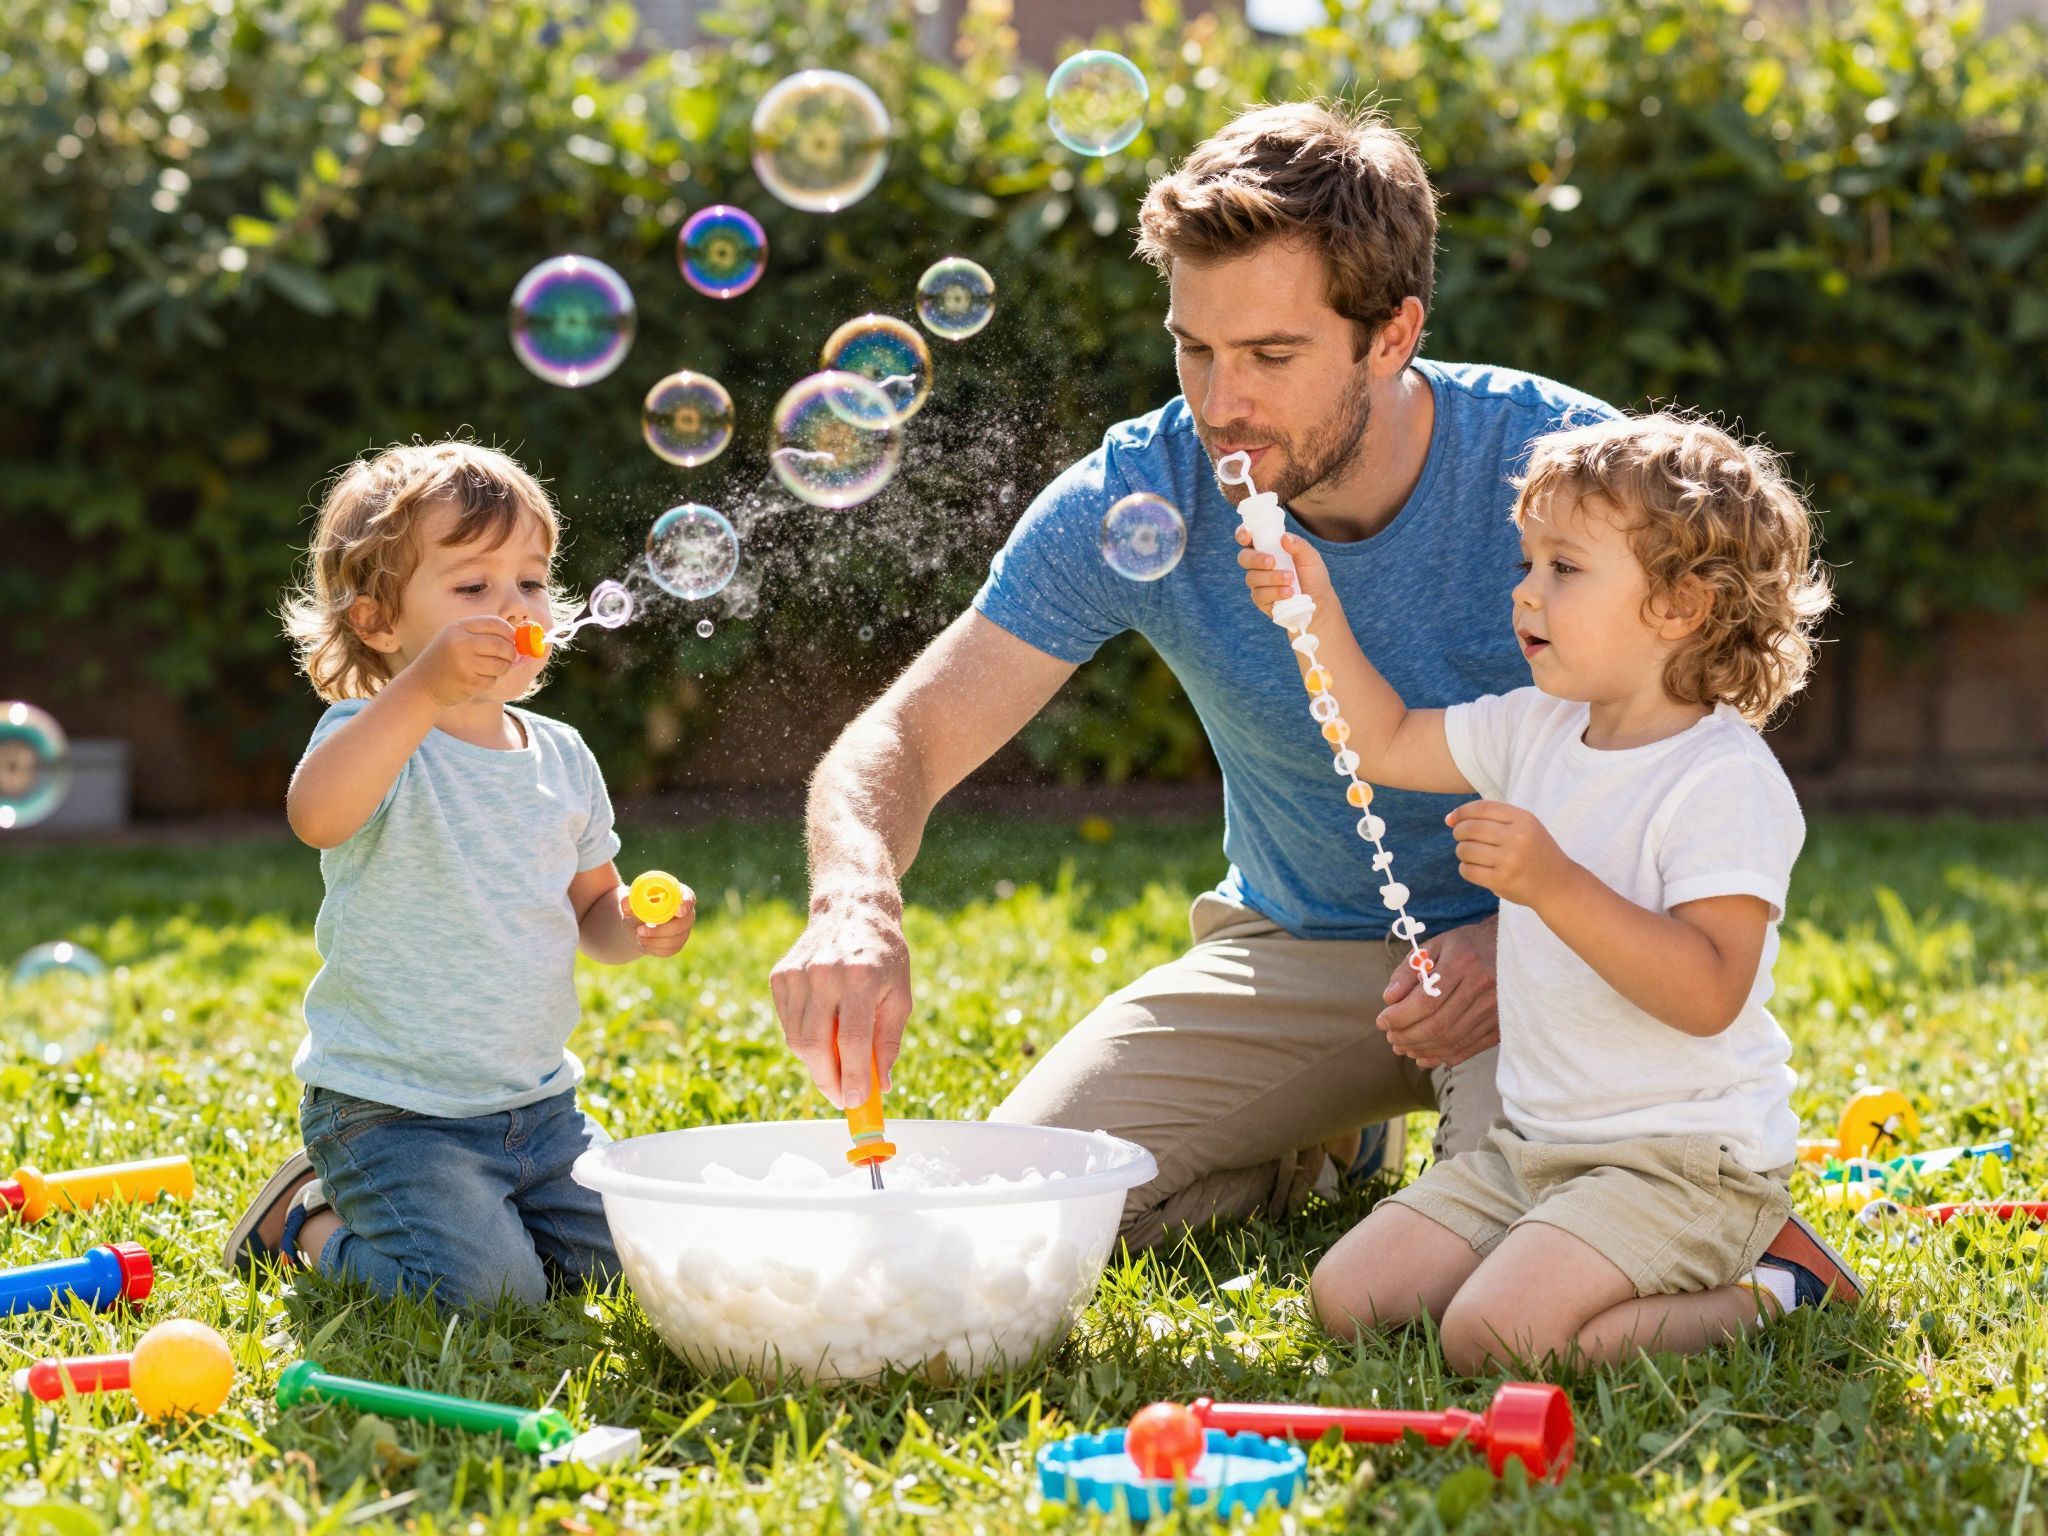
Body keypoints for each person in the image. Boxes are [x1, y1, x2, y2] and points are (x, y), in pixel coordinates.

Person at [769, 100, 1858, 1300]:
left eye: (1270, 357)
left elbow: (1693, 739)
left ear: (1390, 335)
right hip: (1292, 945)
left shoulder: (1570, 480)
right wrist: (852, 900)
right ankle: (1329, 1145)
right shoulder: (1138, 491)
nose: (1219, 404)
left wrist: (1520, 932)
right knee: (1020, 1215)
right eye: (1193, 348)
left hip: (1557, 968)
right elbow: (907, 735)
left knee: (1494, 1291)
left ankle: (1734, 1253)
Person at [1242, 411, 1848, 1363]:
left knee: (1493, 1338)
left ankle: (1781, 1288)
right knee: (1347, 1297)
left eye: (1564, 568)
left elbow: (1708, 991)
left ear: (1679, 605)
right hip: (1534, 1150)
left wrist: (1553, 883)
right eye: (1528, 563)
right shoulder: (1537, 728)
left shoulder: (1721, 780)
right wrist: (1314, 610)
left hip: (1680, 1166)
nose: (1525, 592)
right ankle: (1567, 1259)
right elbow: (1385, 741)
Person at [222, 441, 695, 1308]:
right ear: (379, 624)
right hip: (394, 1115)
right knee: (488, 1297)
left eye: (531, 582)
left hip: (538, 1111)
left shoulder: (563, 755)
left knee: (636, 1264)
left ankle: (490, 1217)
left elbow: (594, 909)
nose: (513, 607)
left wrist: (636, 920)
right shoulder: (374, 734)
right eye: (473, 587)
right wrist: (422, 690)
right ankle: (303, 1223)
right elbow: (316, 816)